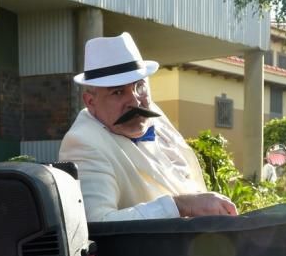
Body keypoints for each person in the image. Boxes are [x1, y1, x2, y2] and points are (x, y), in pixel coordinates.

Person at [59, 32, 237, 222]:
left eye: (139, 87)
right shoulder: (83, 143)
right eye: (118, 92)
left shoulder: (153, 118)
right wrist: (181, 206)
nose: (134, 100)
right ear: (91, 102)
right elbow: (98, 223)